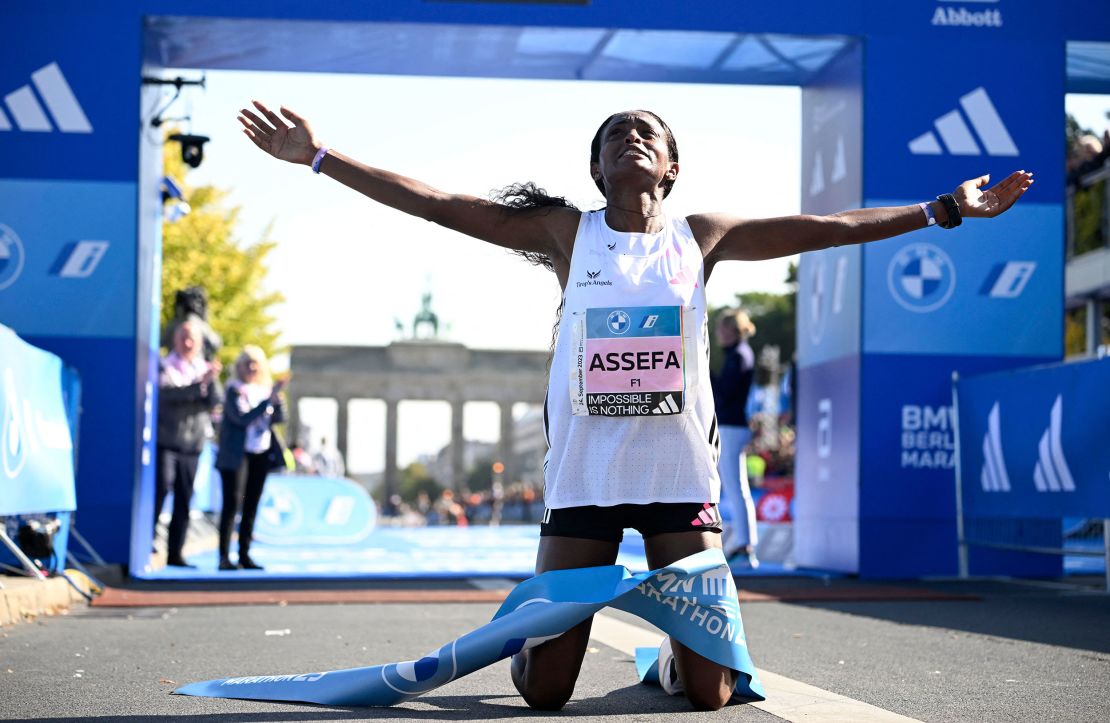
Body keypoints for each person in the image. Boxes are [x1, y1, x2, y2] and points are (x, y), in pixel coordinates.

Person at [237, 100, 1032, 710]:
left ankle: (670, 653)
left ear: (672, 168)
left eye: (648, 133)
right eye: (614, 134)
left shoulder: (701, 235)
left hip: (678, 473)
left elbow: (822, 228)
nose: (631, 138)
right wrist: (317, 157)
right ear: (597, 169)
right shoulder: (564, 232)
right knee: (546, 693)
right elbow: (439, 204)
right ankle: (540, 638)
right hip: (584, 475)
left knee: (711, 693)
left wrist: (942, 209)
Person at [154, 316, 221, 568]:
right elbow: (168, 397)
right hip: (168, 440)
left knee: (185, 498)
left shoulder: (203, 369)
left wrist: (210, 380)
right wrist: (197, 387)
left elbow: (214, 401)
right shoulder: (164, 365)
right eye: (183, 336)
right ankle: (148, 540)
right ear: (175, 340)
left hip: (193, 444)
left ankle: (176, 552)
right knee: (161, 489)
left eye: (192, 338)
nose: (188, 342)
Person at [214, 345, 286, 571]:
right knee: (232, 504)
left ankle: (245, 553)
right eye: (247, 363)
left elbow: (278, 420)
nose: (252, 368)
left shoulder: (265, 390)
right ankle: (224, 556)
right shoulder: (233, 390)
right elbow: (241, 419)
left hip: (261, 452)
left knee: (252, 504)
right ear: (239, 367)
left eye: (256, 363)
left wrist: (277, 401)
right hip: (236, 455)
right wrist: (267, 403)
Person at [711, 309, 760, 568]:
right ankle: (743, 543)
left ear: (733, 330)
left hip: (731, 426)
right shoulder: (739, 355)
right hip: (730, 425)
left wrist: (705, 372)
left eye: (723, 328)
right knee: (735, 487)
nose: (719, 333)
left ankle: (744, 545)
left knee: (735, 488)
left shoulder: (739, 356)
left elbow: (725, 394)